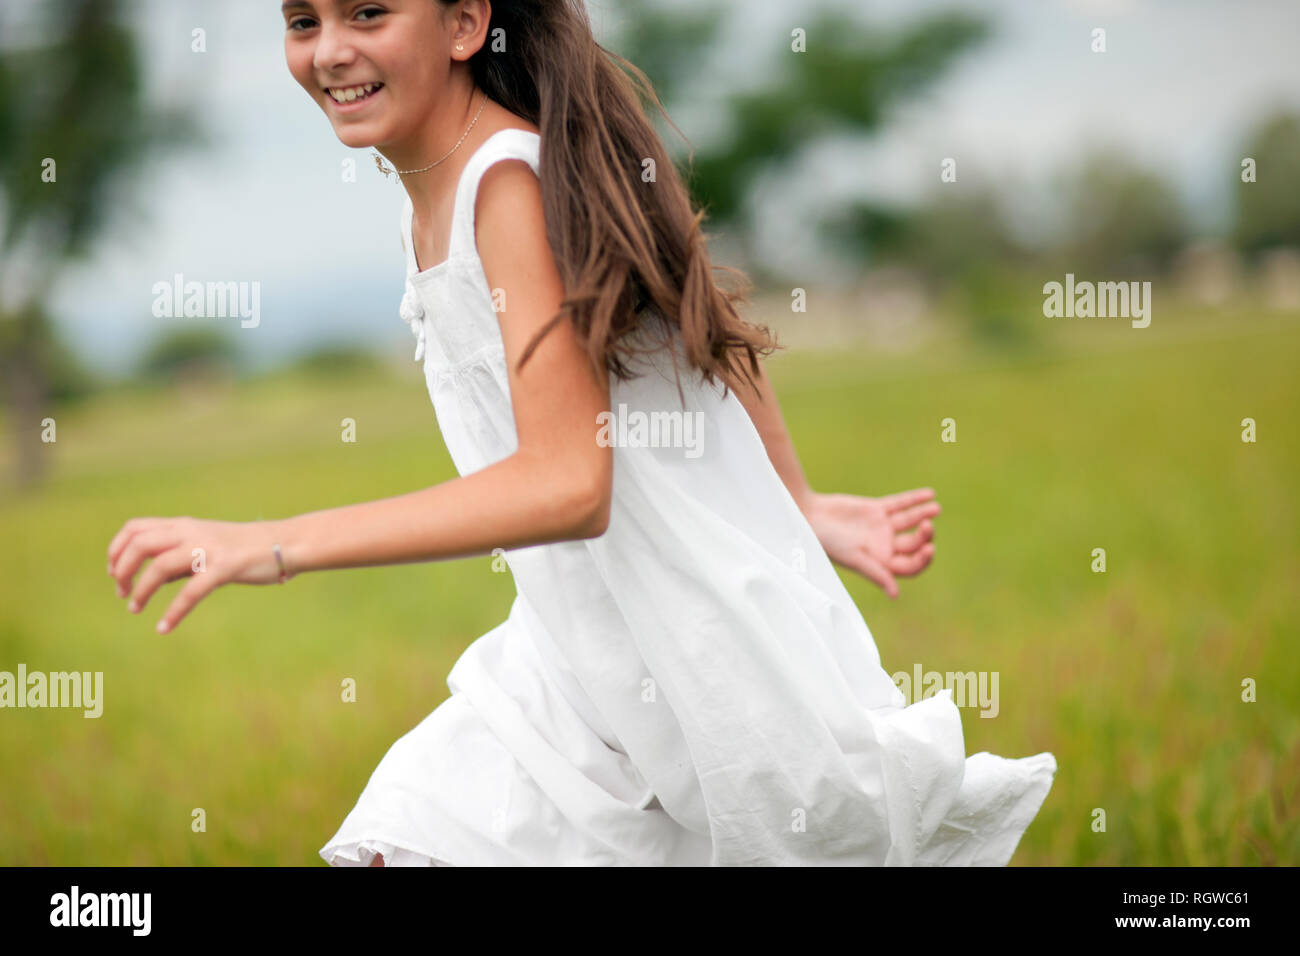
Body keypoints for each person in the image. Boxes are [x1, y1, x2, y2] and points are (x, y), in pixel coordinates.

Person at [106, 0, 1056, 866]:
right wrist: (800, 502)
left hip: (682, 658)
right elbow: (688, 296)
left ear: (466, 23)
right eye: (302, 20)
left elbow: (569, 486)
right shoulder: (440, 196)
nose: (330, 52)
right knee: (408, 838)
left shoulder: (503, 187)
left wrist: (272, 546)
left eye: (368, 13)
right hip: (572, 651)